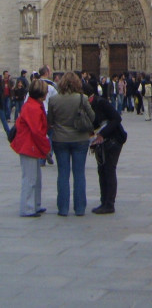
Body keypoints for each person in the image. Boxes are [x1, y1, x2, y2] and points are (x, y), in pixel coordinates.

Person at [47, 71, 94, 217]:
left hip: (60, 139)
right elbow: (92, 117)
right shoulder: (82, 98)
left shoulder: (54, 99)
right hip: (80, 139)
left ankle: (63, 208)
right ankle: (79, 208)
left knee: (63, 174)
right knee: (79, 174)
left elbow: (50, 121)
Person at [10, 78, 50, 216]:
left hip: (30, 145)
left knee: (36, 178)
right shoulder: (33, 107)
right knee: (30, 179)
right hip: (29, 146)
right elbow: (36, 131)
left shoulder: (33, 104)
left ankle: (35, 204)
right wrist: (46, 147)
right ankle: (27, 208)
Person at [87, 84, 127, 214]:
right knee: (102, 170)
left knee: (109, 169)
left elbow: (117, 118)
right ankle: (104, 201)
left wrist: (101, 134)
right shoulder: (88, 106)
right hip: (102, 141)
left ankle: (109, 204)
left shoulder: (101, 102)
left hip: (113, 140)